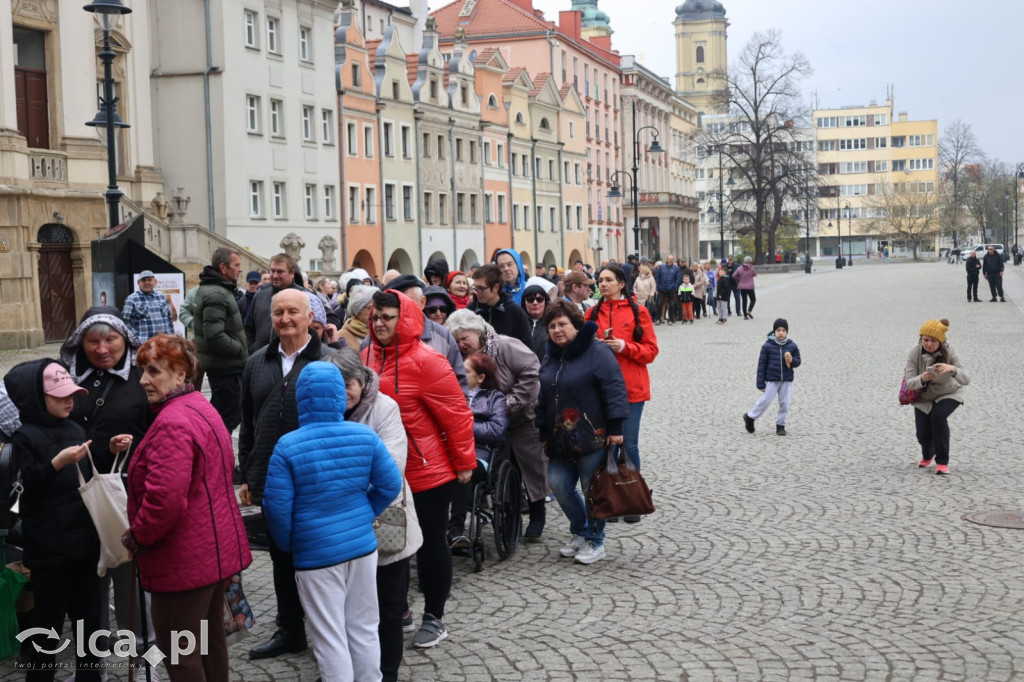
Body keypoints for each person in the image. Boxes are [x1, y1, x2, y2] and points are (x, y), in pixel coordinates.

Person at [120, 334, 252, 681]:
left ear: (181, 374)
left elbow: (165, 501)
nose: (144, 380)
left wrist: (137, 535)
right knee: (208, 646)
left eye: (153, 371)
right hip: (209, 550)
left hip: (183, 558)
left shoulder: (172, 422)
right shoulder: (198, 406)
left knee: (181, 653)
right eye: (142, 371)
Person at [263, 361, 401, 682]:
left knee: (329, 637)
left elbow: (276, 507)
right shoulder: (364, 436)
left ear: (301, 399)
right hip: (363, 547)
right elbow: (390, 484)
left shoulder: (287, 446)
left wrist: (289, 542)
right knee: (365, 628)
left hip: (315, 553)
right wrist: (366, 512)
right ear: (340, 394)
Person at [361, 290, 475, 648]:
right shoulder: (365, 355)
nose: (379, 323)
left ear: (404, 318)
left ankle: (435, 616)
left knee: (429, 546)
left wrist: (464, 464)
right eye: (375, 316)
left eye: (387, 317)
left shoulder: (429, 361)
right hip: (382, 472)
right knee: (388, 545)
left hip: (427, 472)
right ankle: (401, 611)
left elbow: (456, 416)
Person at [240, 289, 334, 660]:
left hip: (316, 476)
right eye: (278, 312)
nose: (285, 319)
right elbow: (247, 422)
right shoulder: (256, 363)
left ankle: (326, 628)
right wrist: (247, 471)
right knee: (281, 555)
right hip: (270, 474)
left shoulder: (329, 362)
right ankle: (290, 629)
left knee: (319, 552)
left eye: (293, 312)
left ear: (310, 316)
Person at [59, 306, 156, 664]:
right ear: (79, 343)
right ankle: (92, 668)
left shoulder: (142, 378)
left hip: (124, 495)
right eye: (92, 341)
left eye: (110, 340)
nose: (102, 349)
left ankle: (144, 661)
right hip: (77, 497)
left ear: (125, 340)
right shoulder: (65, 376)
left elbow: (157, 433)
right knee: (87, 588)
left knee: (130, 581)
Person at [4, 359, 104, 681]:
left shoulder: (75, 428)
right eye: (60, 395)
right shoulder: (24, 437)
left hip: (84, 549)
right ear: (36, 398)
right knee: (46, 632)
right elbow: (27, 490)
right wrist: (55, 465)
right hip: (49, 554)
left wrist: (109, 450)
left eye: (71, 393)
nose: (69, 400)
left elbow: (88, 481)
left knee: (89, 626)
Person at [327, 349, 422, 682]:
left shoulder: (385, 408)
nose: (342, 394)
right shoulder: (325, 410)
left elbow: (390, 468)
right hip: (340, 529)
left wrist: (339, 484)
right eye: (335, 387)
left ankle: (388, 673)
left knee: (388, 606)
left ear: (363, 380)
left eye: (348, 385)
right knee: (344, 608)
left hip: (383, 520)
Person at [537, 301, 628, 565]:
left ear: (576, 325)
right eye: (552, 326)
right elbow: (543, 394)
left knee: (592, 489)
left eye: (562, 324)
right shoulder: (550, 354)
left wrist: (616, 428)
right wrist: (543, 429)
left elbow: (614, 388)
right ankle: (580, 530)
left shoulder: (596, 351)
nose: (557, 330)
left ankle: (596, 542)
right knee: (559, 485)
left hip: (592, 435)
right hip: (558, 437)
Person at [445, 309, 547, 539]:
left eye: (465, 338)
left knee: (531, 466)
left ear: (478, 332)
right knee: (500, 468)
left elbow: (532, 372)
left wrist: (508, 403)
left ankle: (537, 515)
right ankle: (510, 516)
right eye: (457, 340)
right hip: (485, 421)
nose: (461, 344)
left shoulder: (505, 346)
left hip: (522, 417)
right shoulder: (460, 357)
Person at [585, 265, 658, 523]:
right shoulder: (592, 313)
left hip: (631, 388)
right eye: (600, 279)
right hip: (599, 389)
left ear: (621, 284)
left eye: (608, 280)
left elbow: (650, 351)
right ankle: (609, 499)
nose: (602, 284)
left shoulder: (639, 312)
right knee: (605, 445)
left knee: (628, 444)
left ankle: (630, 499)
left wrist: (624, 346)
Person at [446, 352, 509, 548]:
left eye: (465, 372)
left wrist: (463, 426)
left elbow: (497, 430)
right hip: (447, 451)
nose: (459, 376)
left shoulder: (495, 398)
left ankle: (455, 531)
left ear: (480, 377)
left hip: (478, 454)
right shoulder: (451, 394)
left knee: (465, 470)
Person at [380, 275, 468, 393]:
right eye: (398, 303)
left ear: (422, 302)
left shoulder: (443, 336)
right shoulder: (376, 338)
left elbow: (459, 383)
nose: (403, 307)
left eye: (409, 301)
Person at [904, 319, 970, 475]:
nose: (928, 344)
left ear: (940, 342)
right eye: (925, 340)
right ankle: (928, 454)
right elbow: (909, 383)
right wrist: (922, 379)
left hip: (949, 393)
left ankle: (942, 462)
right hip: (924, 397)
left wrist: (952, 368)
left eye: (933, 341)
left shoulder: (950, 351)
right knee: (922, 435)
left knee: (938, 417)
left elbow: (966, 379)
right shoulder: (914, 353)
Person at [194, 247, 248, 433]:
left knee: (221, 416)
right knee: (226, 419)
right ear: (223, 268)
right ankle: (216, 458)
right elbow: (215, 335)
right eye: (237, 265)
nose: (240, 269)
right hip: (226, 368)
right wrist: (240, 349)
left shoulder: (217, 289)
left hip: (224, 366)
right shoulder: (217, 294)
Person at [743, 318, 802, 437]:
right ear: (774, 331)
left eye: (783, 330)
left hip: (786, 379)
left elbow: (798, 361)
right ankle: (750, 417)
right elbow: (761, 365)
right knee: (766, 400)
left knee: (784, 403)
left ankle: (781, 425)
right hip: (772, 379)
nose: (781, 333)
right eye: (778, 330)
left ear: (787, 332)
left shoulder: (792, 345)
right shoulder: (767, 346)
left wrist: (792, 360)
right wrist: (760, 383)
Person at [244, 253, 306, 354]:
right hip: (261, 359)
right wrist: (252, 350)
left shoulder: (304, 296)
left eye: (280, 271)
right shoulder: (260, 295)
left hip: (294, 359)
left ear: (292, 273)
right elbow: (249, 328)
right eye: (272, 271)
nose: (275, 275)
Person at [468, 264, 533, 348]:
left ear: (496, 287)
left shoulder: (515, 312)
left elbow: (526, 349)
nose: (476, 292)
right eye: (474, 288)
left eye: (481, 288)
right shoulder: (470, 311)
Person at [122, 270, 176, 342]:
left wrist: (171, 335)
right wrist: (137, 336)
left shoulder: (162, 296)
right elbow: (124, 321)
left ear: (155, 282)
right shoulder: (132, 299)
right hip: (144, 344)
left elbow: (169, 318)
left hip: (164, 342)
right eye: (144, 280)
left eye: (149, 280)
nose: (147, 282)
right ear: (139, 283)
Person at [521, 282, 552, 361]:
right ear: (524, 302)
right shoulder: (518, 323)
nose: (535, 303)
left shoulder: (552, 323)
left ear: (545, 301)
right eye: (530, 299)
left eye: (539, 299)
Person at [339, 285, 376, 351]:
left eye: (378, 308)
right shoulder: (341, 337)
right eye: (370, 308)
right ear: (357, 311)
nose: (375, 312)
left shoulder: (381, 333)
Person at [653, 254, 681, 325]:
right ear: (666, 259)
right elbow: (658, 277)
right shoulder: (661, 267)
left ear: (673, 260)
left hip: (671, 289)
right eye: (669, 259)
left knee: (671, 305)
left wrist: (675, 286)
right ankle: (658, 319)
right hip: (662, 288)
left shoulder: (676, 268)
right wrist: (657, 286)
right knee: (659, 304)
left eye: (672, 259)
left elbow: (678, 278)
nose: (670, 261)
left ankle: (670, 319)